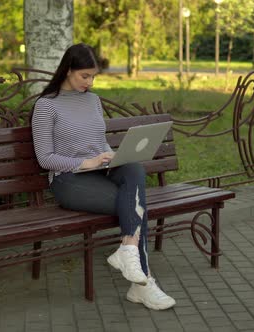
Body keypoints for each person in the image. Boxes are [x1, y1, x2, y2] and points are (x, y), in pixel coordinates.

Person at [31, 43, 175, 310]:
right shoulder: (46, 106)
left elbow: (99, 141)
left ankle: (128, 251)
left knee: (133, 168)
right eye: (85, 76)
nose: (90, 81)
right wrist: (86, 162)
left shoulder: (93, 100)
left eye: (93, 76)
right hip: (68, 180)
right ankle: (143, 284)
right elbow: (45, 158)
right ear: (68, 70)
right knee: (135, 205)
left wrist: (110, 155)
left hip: (100, 171)